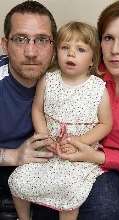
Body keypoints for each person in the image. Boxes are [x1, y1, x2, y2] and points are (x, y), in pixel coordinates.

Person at [49, 1, 119, 220]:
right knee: (105, 209)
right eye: (108, 38)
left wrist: (98, 156)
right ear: (99, 42)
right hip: (88, 160)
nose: (115, 50)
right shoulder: (86, 73)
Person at [8, 21, 112, 220]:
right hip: (48, 148)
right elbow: (37, 110)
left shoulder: (98, 88)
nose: (71, 54)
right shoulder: (48, 80)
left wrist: (79, 142)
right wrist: (45, 137)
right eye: (65, 48)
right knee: (18, 180)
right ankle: (24, 218)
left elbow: (106, 124)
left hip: (79, 153)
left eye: (80, 49)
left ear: (92, 59)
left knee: (70, 192)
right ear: (56, 52)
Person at [0, 1, 57, 219]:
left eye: (42, 40)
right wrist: (14, 155)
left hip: (45, 174)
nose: (31, 52)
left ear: (53, 45)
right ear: (5, 44)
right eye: (20, 39)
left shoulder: (66, 80)